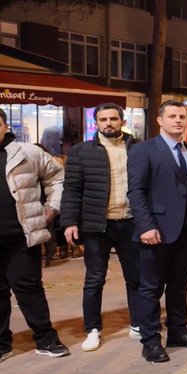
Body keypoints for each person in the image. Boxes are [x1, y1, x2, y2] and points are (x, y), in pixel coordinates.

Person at [127, 101, 187, 362]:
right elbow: (136, 191)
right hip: (156, 231)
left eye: (182, 116)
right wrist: (146, 225)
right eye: (172, 116)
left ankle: (177, 332)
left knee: (178, 287)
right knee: (150, 288)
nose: (178, 120)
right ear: (160, 120)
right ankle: (150, 341)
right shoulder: (144, 150)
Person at [62, 103, 142, 352]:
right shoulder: (81, 151)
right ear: (96, 123)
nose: (108, 123)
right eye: (103, 119)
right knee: (95, 279)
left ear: (122, 121)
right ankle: (93, 329)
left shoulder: (138, 148)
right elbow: (72, 189)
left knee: (136, 278)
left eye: (113, 119)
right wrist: (69, 222)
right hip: (97, 225)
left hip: (131, 222)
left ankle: (138, 323)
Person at [0, 108, 69, 360]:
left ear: (5, 126)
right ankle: (2, 343)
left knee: (29, 288)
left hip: (21, 235)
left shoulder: (27, 152)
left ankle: (45, 338)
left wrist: (52, 207)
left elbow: (57, 177)